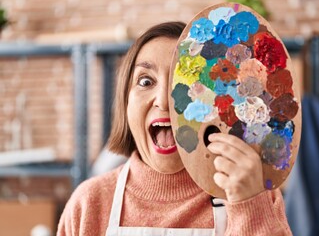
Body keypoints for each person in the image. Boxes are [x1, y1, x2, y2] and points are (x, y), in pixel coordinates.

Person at [57, 21, 292, 236]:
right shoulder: (89, 204)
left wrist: (248, 205)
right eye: (146, 81)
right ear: (125, 103)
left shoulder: (257, 192)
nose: (164, 100)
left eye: (184, 81)